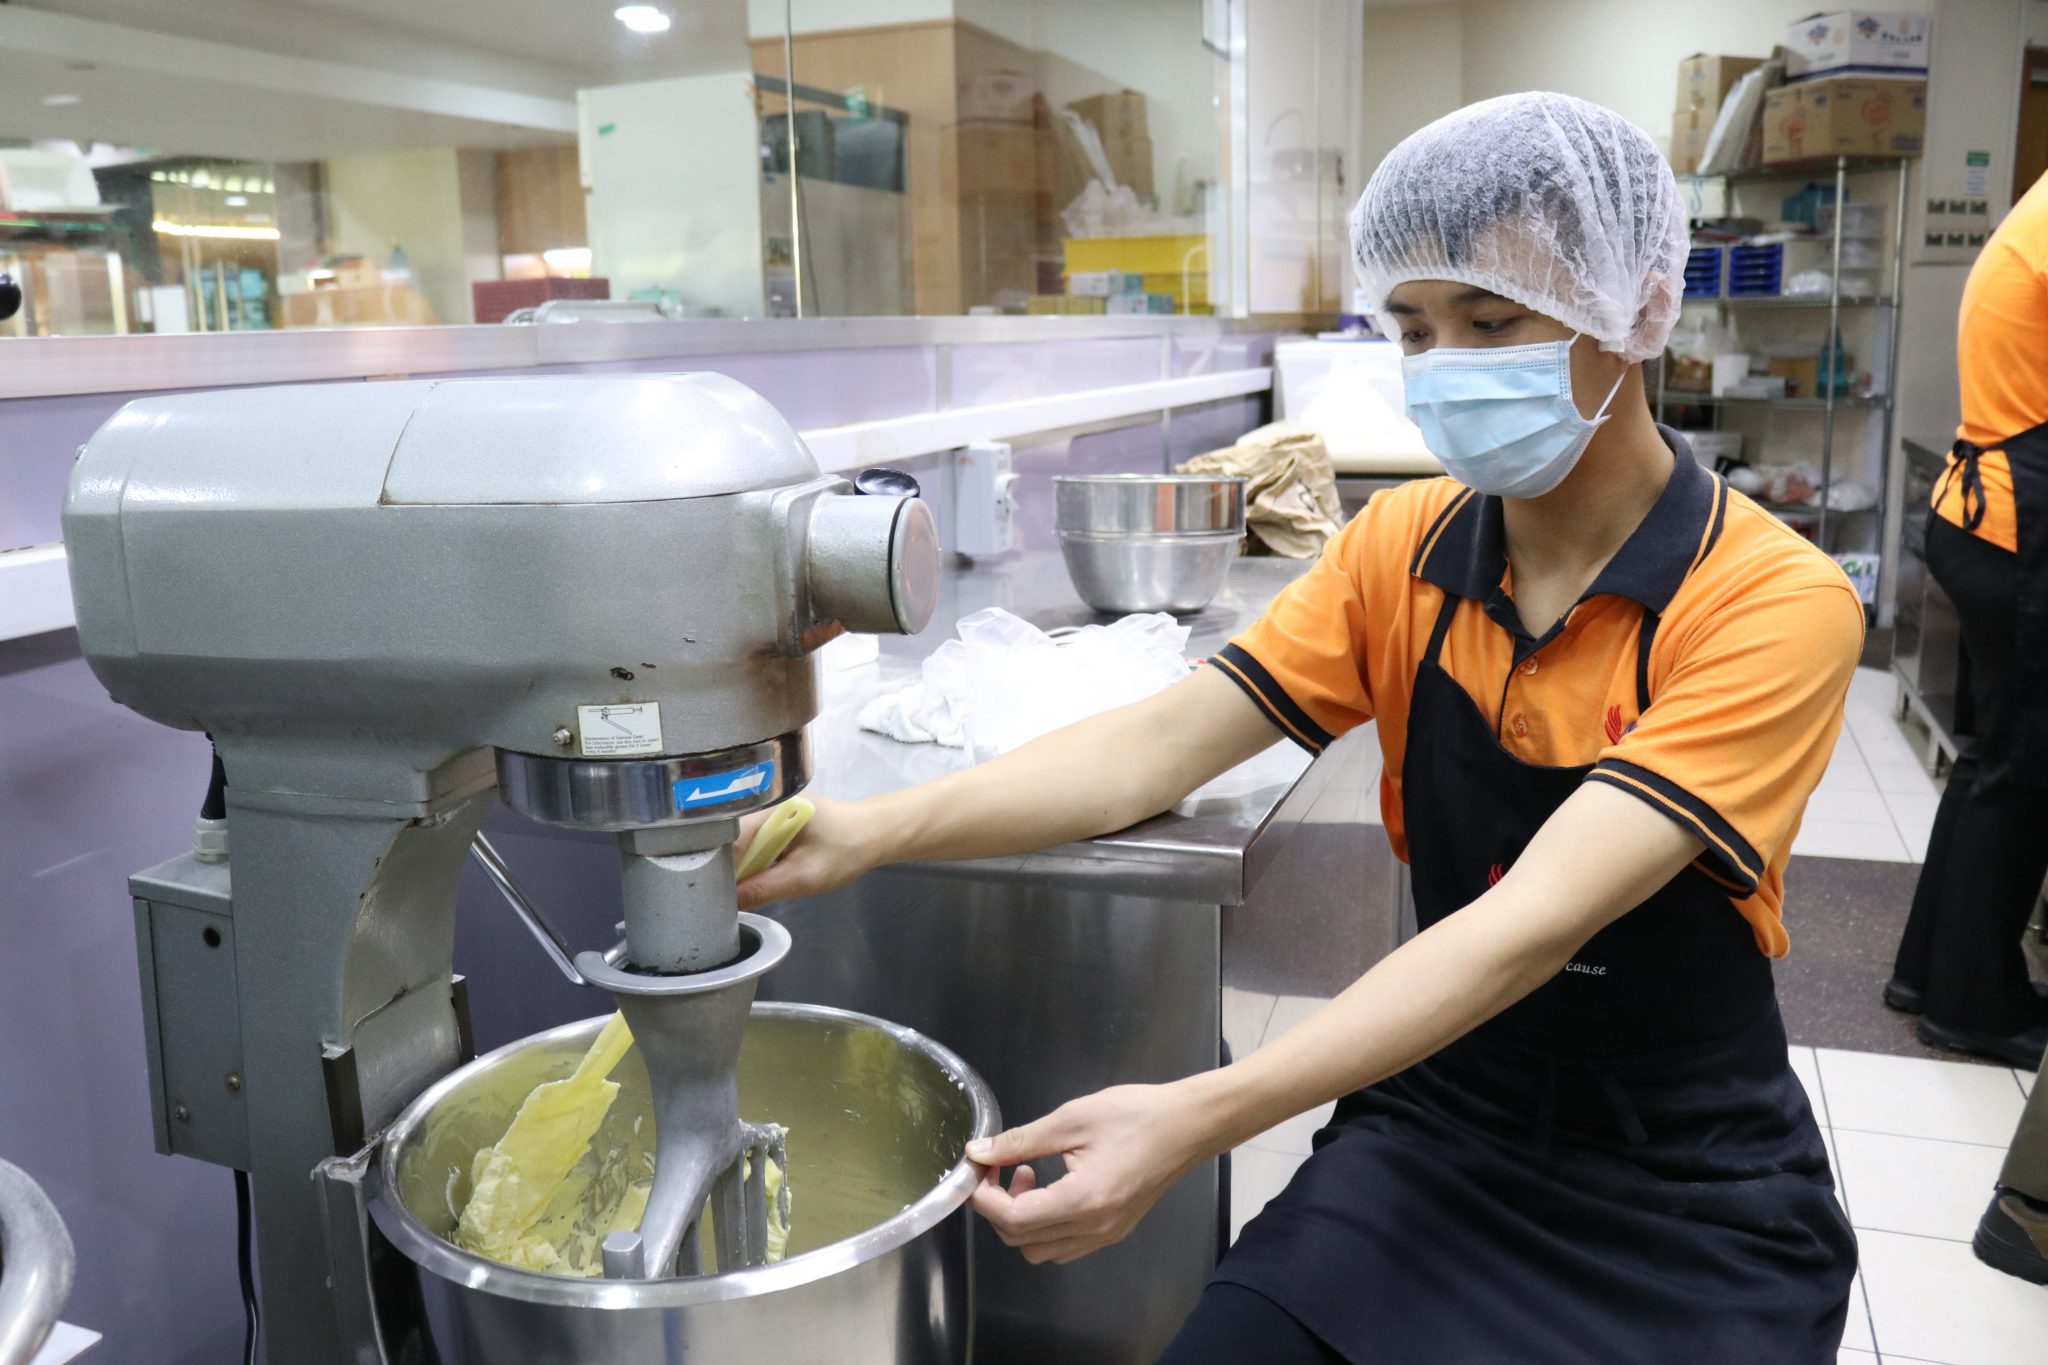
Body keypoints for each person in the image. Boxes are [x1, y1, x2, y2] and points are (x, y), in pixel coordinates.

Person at [740, 92, 1863, 1360]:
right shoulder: (1400, 549)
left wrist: (1192, 1119)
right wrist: (870, 830)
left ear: (1639, 307)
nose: (1443, 366)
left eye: (1489, 321)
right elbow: (1155, 747)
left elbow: (1529, 923)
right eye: (1413, 328)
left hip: (1688, 1183)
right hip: (1438, 1127)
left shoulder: (1769, 600)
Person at [1886, 169, 2048, 1070]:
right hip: (2019, 517)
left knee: (1995, 759)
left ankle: (1933, 974)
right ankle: (1977, 1006)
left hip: (1988, 510)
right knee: (2025, 769)